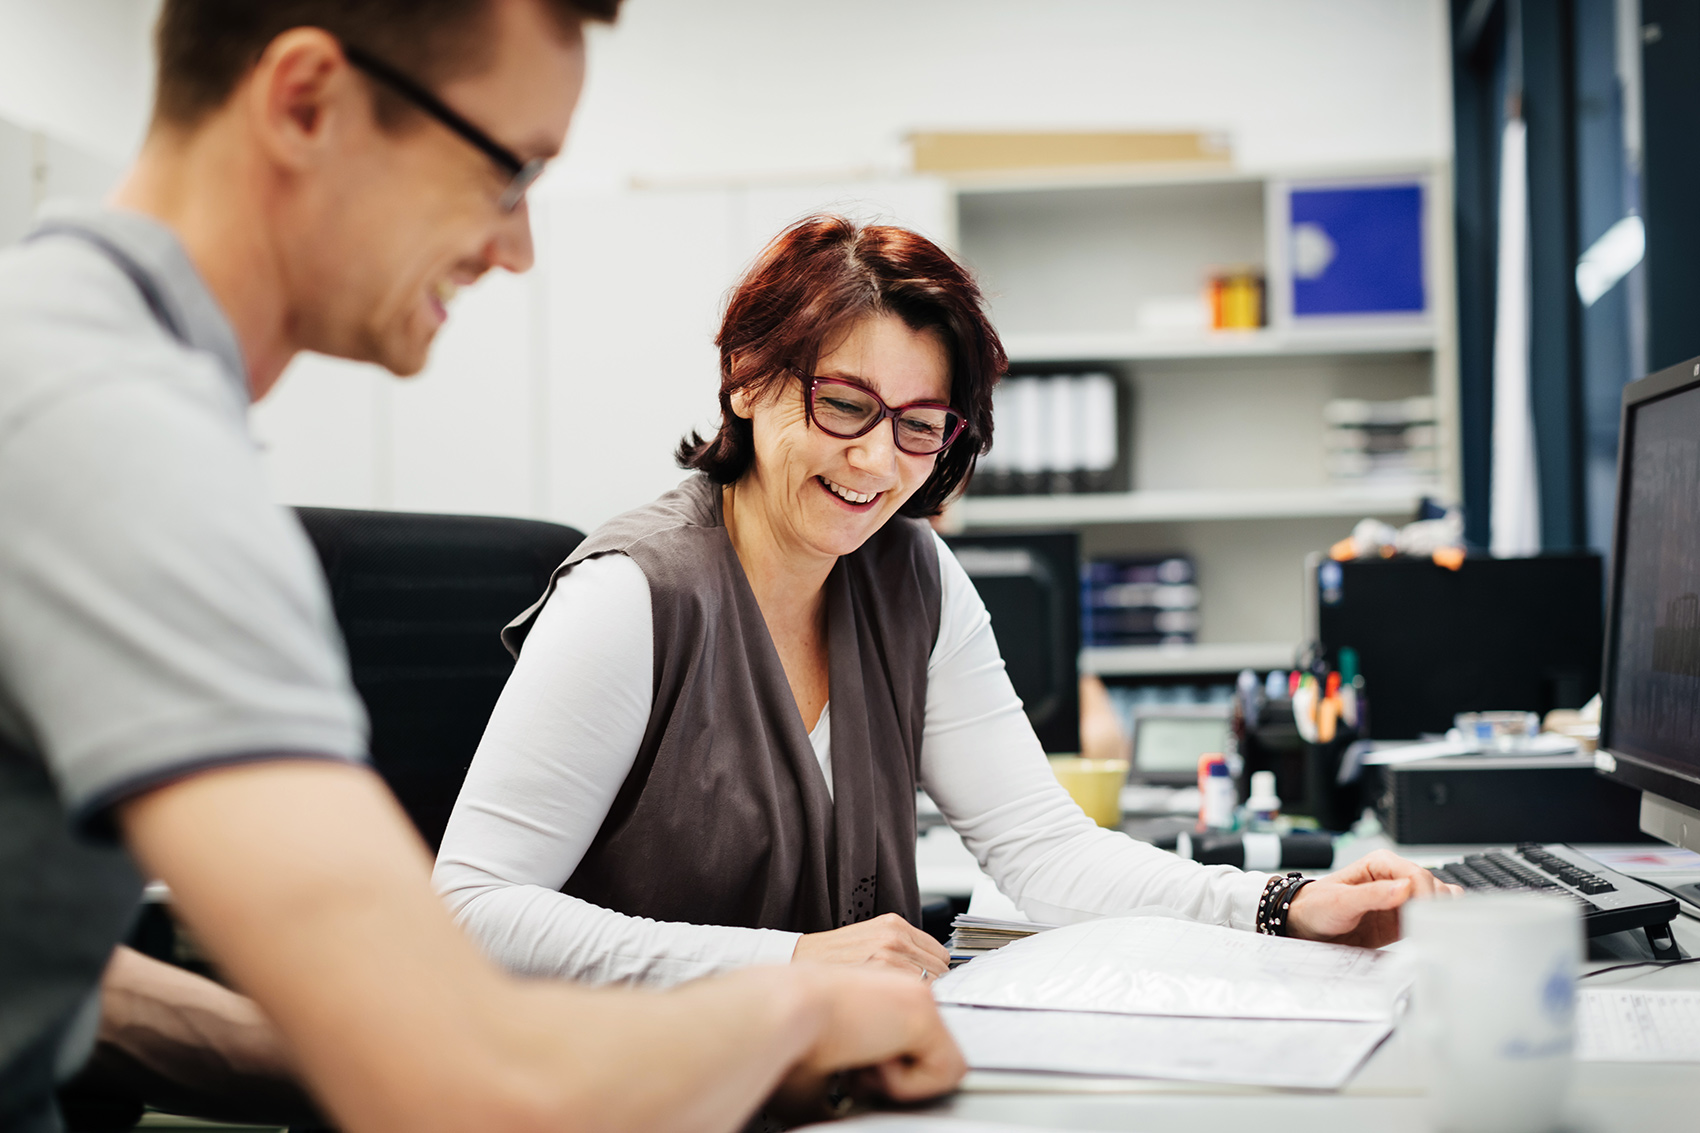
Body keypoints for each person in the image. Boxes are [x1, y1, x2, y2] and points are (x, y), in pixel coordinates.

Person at [0, 3, 965, 1131]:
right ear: (305, 103)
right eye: (508, 172)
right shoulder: (107, 433)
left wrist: (337, 1052)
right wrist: (799, 1010)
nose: (517, 248)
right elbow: (465, 1082)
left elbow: (53, 972)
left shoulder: (55, 361)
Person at [433, 215, 1457, 989]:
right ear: (745, 377)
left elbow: (1043, 850)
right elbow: (470, 908)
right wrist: (790, 961)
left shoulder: (912, 579)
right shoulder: (632, 597)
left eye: (920, 426)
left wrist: (1284, 901)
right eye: (843, 405)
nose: (877, 461)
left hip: (831, 1074)